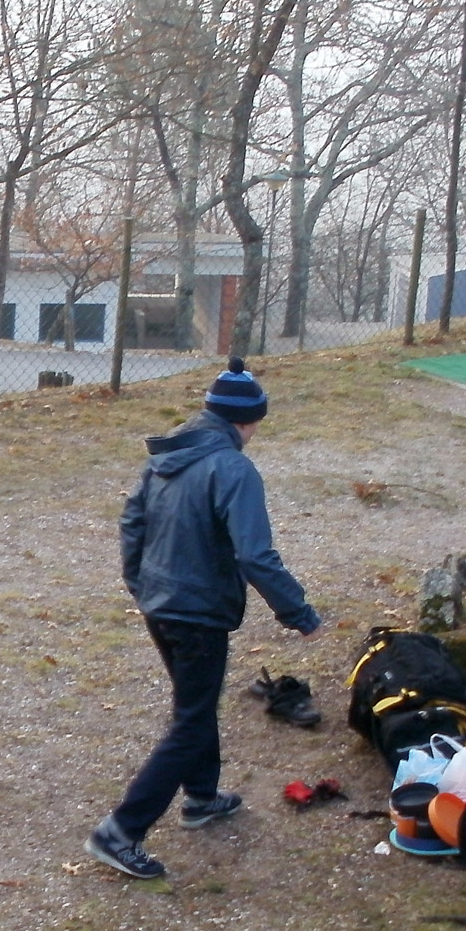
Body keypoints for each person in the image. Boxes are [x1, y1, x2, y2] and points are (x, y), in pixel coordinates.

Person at [86, 358, 322, 880]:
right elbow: (255, 555)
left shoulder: (168, 456)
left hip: (161, 604)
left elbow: (132, 523)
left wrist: (142, 584)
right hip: (198, 613)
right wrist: (298, 612)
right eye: (257, 422)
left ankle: (201, 796)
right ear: (247, 420)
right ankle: (120, 831)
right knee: (191, 722)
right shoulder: (234, 469)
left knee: (197, 703)